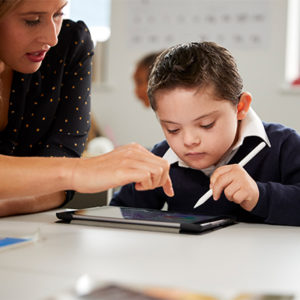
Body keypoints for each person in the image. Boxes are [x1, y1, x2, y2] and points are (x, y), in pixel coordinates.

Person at [0, 0, 173, 217]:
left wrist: (70, 174)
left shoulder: (70, 44)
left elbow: (61, 180)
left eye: (58, 14)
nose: (51, 38)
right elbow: (66, 173)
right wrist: (77, 171)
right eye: (32, 21)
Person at [111, 41, 300, 226]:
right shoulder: (163, 159)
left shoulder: (284, 145)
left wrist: (259, 196)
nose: (189, 141)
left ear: (240, 107)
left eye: (206, 125)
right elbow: (118, 215)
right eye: (173, 129)